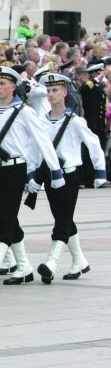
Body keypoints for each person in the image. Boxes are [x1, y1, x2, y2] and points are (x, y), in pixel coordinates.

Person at [0, 66, 64, 289]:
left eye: (2, 84)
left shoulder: (24, 112)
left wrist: (55, 170)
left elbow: (42, 140)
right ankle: (24, 266)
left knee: (6, 216)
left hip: (15, 169)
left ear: (13, 87)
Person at [34, 73, 105, 284]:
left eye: (55, 90)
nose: (51, 94)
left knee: (63, 219)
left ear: (65, 92)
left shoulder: (75, 121)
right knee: (62, 217)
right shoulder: (42, 121)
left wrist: (100, 171)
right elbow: (36, 148)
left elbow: (93, 144)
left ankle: (51, 262)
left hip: (70, 174)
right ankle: (80, 261)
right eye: (48, 90)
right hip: (50, 174)